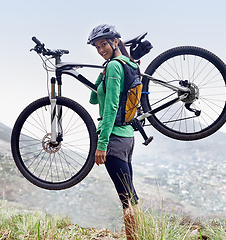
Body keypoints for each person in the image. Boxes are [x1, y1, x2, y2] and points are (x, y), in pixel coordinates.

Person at [88, 24, 139, 240]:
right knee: (130, 196)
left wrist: (102, 145)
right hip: (127, 138)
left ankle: (134, 238)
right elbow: (93, 99)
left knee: (126, 198)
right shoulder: (126, 64)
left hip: (115, 140)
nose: (101, 50)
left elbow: (109, 108)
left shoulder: (114, 67)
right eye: (97, 47)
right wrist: (102, 76)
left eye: (103, 45)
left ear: (115, 42)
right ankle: (138, 236)